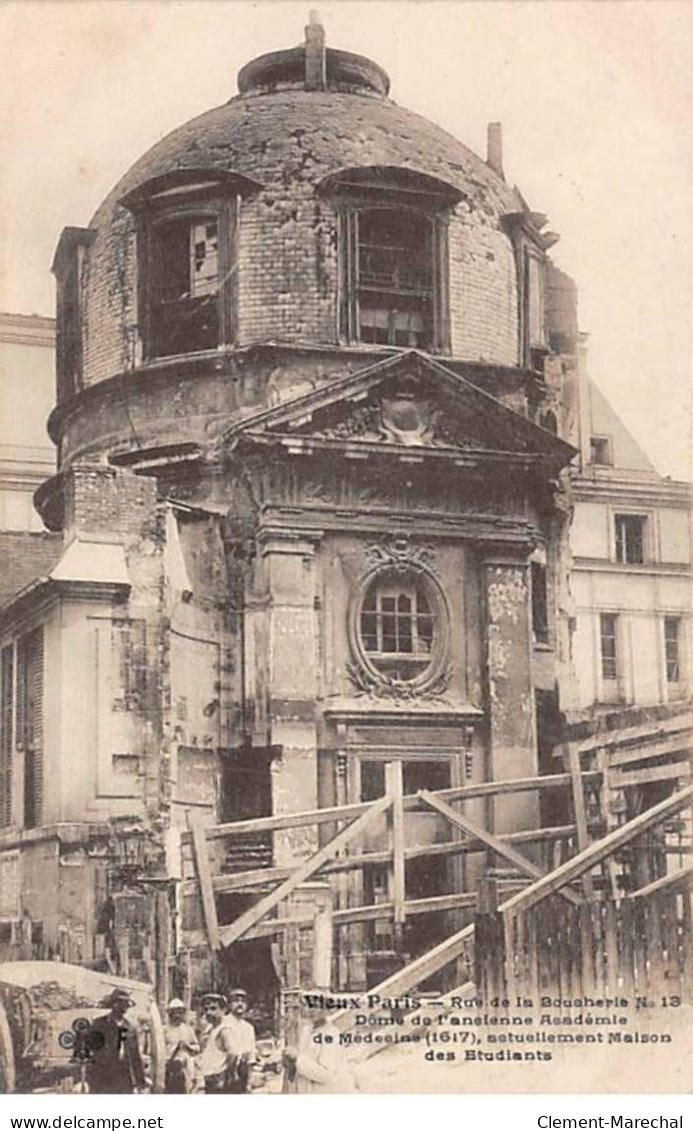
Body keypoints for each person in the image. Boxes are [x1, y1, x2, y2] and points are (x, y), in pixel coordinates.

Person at [77, 988, 146, 1094]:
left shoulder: (130, 1028)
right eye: (121, 1003)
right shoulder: (100, 1024)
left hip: (124, 1077)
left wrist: (140, 1082)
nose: (124, 1007)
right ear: (114, 1004)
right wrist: (84, 1079)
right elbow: (87, 1051)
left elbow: (135, 1056)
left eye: (126, 1004)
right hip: (103, 1077)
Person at [282, 993, 354, 1094]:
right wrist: (291, 1064)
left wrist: (297, 1058)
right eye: (307, 1005)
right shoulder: (307, 1030)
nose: (311, 1010)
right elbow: (302, 1064)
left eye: (316, 1006)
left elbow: (325, 1075)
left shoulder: (331, 1035)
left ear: (326, 1009)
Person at [222, 988, 257, 1093]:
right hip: (225, 1073)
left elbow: (251, 1055)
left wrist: (249, 1083)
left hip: (243, 1072)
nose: (240, 1004)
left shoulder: (249, 1028)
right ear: (229, 1004)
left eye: (243, 1001)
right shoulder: (223, 1022)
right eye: (236, 1000)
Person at [163, 998, 200, 1094]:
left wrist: (188, 1046)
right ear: (170, 1014)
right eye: (174, 1012)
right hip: (169, 1068)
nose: (177, 1015)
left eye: (179, 1012)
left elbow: (197, 1048)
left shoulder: (188, 1030)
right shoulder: (164, 1030)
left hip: (184, 1069)